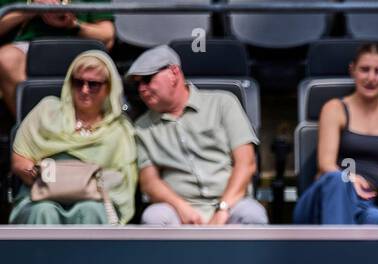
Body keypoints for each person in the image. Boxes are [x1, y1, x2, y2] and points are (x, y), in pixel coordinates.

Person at [127, 45, 266, 225]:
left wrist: (223, 209)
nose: (142, 89)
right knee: (154, 217)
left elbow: (246, 163)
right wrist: (181, 207)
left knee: (253, 214)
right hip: (179, 210)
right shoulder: (142, 126)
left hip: (230, 203)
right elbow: (149, 182)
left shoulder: (223, 103)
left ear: (173, 72)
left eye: (147, 79)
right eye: (137, 84)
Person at [294, 42, 378, 226]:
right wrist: (349, 177)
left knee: (377, 218)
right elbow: (325, 165)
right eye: (364, 69)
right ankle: (337, 252)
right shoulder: (335, 108)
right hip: (322, 200)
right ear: (352, 70)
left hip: (363, 203)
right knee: (337, 179)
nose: (371, 78)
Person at [8, 49, 135, 224]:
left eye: (93, 84)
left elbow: (122, 178)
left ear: (109, 88)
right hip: (40, 195)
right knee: (43, 211)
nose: (84, 90)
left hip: (94, 199)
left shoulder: (118, 130)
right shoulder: (46, 111)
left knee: (90, 211)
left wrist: (82, 184)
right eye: (78, 82)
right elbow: (20, 160)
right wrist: (43, 179)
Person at [0, 0, 115, 116]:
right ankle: (32, 126)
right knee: (6, 58)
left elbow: (107, 35)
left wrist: (73, 25)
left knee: (96, 62)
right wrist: (33, 8)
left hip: (80, 45)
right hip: (27, 48)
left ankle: (84, 124)